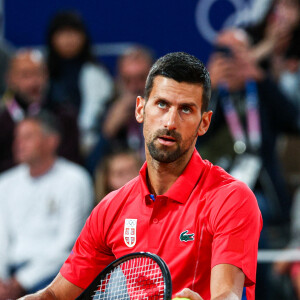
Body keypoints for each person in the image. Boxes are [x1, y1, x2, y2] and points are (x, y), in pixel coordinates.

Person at [20, 52, 262, 300]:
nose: (170, 122)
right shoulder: (111, 209)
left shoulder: (231, 198)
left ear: (204, 123)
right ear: (140, 109)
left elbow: (228, 293)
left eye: (186, 110)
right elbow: (53, 296)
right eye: (162, 104)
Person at [202, 27, 300, 299]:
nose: (228, 59)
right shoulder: (211, 96)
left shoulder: (262, 89)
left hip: (265, 190)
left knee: (253, 208)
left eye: (234, 52)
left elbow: (294, 121)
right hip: (218, 190)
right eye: (222, 52)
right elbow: (197, 135)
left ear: (249, 53)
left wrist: (261, 78)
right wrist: (209, 89)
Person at [0, 111, 93, 299]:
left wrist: (23, 281)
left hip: (55, 274)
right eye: (17, 137)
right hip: (10, 273)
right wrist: (2, 281)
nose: (18, 143)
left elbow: (69, 243)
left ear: (51, 141)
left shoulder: (75, 179)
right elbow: (1, 237)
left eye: (27, 137)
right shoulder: (5, 182)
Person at [0, 48, 81, 173]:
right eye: (25, 75)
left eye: (38, 74)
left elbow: (71, 163)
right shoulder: (2, 120)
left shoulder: (64, 116)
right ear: (10, 79)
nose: (34, 82)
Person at [46, 11, 113, 156]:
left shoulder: (96, 72)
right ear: (52, 38)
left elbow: (98, 113)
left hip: (88, 145)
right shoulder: (43, 73)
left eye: (74, 33)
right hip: (50, 142)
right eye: (63, 33)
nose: (69, 39)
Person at [86, 45, 153, 174]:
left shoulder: (170, 111)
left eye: (141, 78)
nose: (134, 87)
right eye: (127, 80)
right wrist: (108, 132)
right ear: (118, 81)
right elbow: (92, 169)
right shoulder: (106, 112)